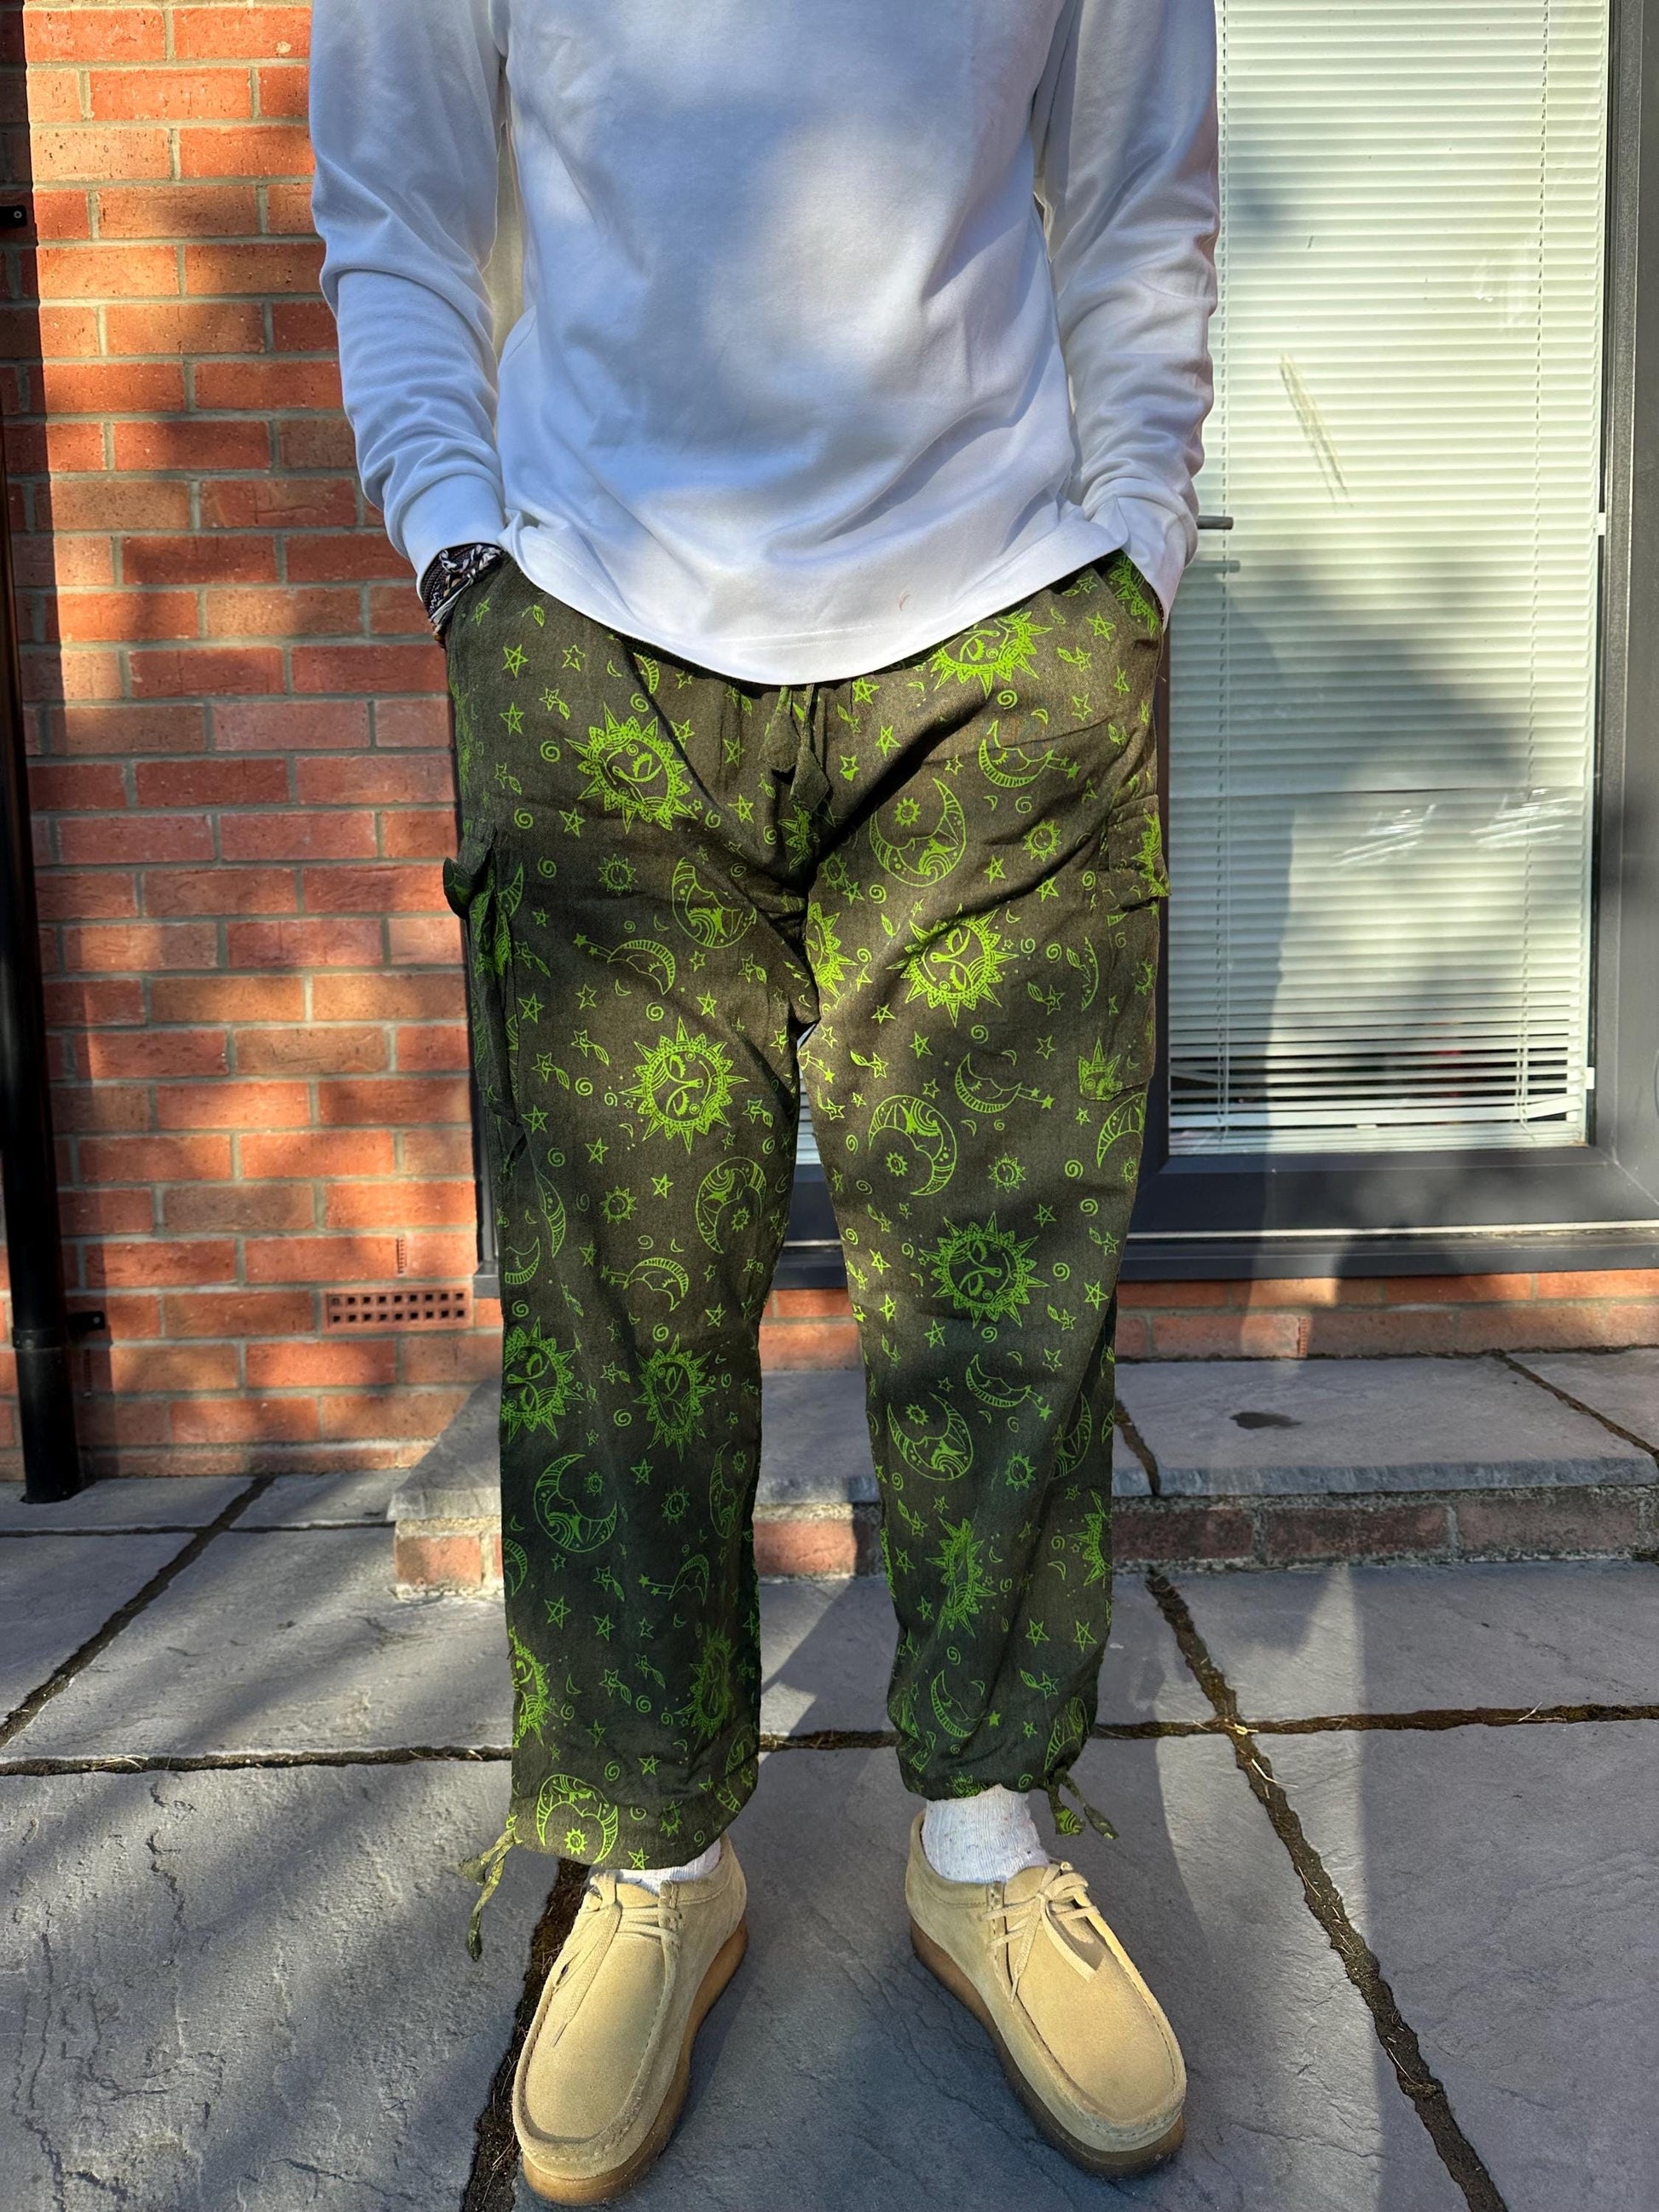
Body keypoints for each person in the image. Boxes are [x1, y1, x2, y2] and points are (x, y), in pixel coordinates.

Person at [310, 2, 1218, 2196]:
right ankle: (654, 1864)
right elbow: (399, 210)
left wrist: (1132, 561)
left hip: (998, 643)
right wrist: (464, 564)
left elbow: (1136, 201)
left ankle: (985, 1844)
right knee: (615, 1326)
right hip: (594, 649)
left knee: (1006, 1313)